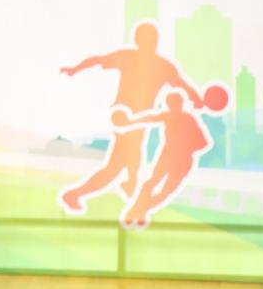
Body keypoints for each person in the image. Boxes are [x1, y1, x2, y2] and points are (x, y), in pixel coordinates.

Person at [59, 22, 203, 213]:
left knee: (128, 161)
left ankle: (126, 189)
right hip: (125, 119)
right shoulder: (130, 57)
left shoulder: (162, 66)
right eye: (146, 39)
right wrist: (75, 69)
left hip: (137, 122)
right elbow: (98, 60)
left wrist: (196, 98)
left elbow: (182, 84)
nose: (149, 43)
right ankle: (119, 189)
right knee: (120, 164)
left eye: (151, 39)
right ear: (138, 40)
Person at [113, 90, 212, 227]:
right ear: (168, 105)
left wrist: (186, 148)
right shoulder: (167, 117)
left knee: (165, 191)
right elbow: (150, 118)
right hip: (167, 158)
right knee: (151, 184)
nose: (172, 106)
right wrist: (130, 122)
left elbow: (204, 143)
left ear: (180, 103)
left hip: (182, 162)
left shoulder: (188, 119)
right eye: (170, 103)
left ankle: (139, 210)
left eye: (175, 103)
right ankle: (136, 211)